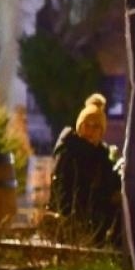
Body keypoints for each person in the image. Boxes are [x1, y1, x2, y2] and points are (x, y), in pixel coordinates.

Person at [50, 94, 123, 245]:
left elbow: (109, 187)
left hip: (96, 228)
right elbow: (64, 193)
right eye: (87, 124)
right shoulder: (69, 153)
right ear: (79, 126)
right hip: (72, 226)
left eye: (96, 126)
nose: (90, 130)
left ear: (101, 131)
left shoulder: (103, 158)